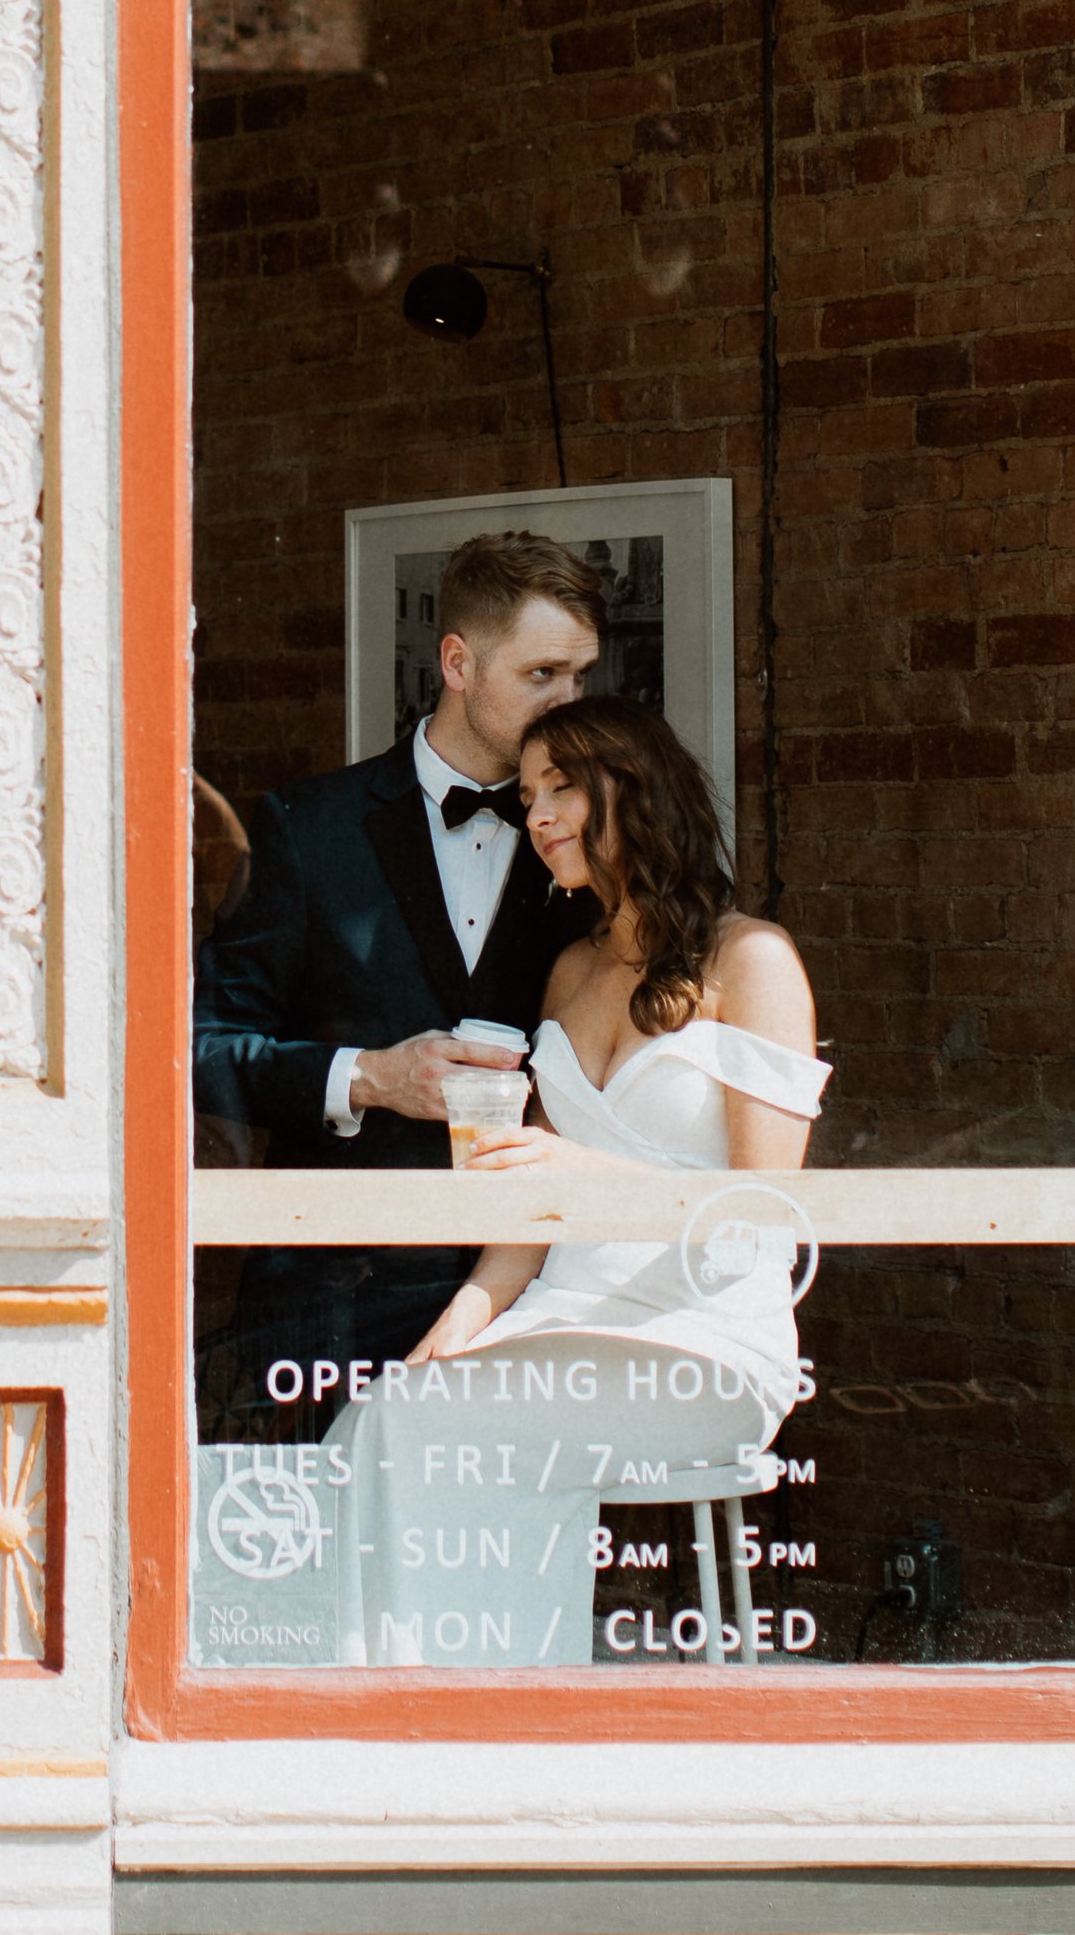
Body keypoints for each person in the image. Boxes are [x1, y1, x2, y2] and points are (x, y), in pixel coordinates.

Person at [331, 691, 827, 1665]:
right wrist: (454, 1327)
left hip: (697, 1335)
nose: (536, 815)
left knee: (437, 1438)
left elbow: (768, 1216)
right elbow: (529, 1221)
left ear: (634, 791)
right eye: (526, 794)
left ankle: (484, 1719)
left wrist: (583, 1171)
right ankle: (387, 1721)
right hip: (556, 1320)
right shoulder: (568, 971)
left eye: (559, 788)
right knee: (374, 1421)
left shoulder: (752, 961)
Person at [192, 532, 608, 1434]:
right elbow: (201, 1048)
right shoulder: (308, 829)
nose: (569, 701)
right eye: (543, 675)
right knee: (318, 1567)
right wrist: (368, 1077)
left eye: (581, 676)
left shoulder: (597, 842)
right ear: (458, 661)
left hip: (532, 1290)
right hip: (334, 1291)